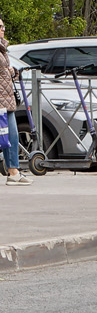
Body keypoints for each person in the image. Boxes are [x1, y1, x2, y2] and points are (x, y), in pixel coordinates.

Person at [0, 16, 29, 186]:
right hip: (2, 100)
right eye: (0, 26)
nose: (2, 29)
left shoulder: (3, 48)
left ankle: (13, 171)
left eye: (3, 26)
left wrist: (12, 72)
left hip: (7, 100)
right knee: (9, 135)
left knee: (10, 135)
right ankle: (13, 171)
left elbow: (5, 73)